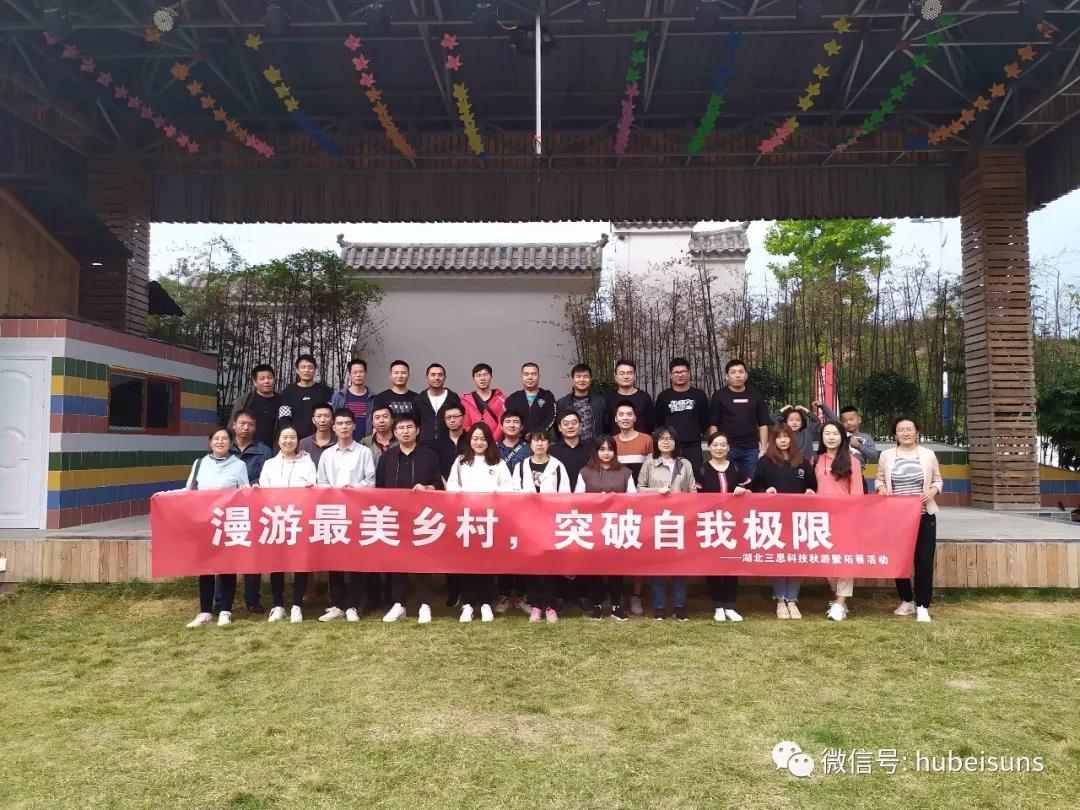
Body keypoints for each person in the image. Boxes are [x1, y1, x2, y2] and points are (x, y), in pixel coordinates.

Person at [377, 414, 444, 625]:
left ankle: (425, 603)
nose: (405, 431)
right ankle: (398, 603)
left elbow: (439, 484)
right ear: (395, 432)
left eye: (409, 427)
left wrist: (428, 488)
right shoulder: (387, 457)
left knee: (422, 560)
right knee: (397, 560)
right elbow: (379, 488)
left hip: (421, 517)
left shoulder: (429, 456)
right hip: (394, 516)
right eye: (401, 428)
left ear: (417, 430)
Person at [875, 417, 943, 623]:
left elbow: (938, 480)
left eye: (909, 429)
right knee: (900, 560)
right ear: (895, 434)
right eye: (900, 430)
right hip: (897, 518)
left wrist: (933, 491)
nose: (905, 433)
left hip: (923, 516)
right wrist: (881, 488)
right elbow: (879, 479)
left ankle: (922, 605)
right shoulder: (887, 455)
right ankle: (906, 600)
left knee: (924, 561)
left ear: (917, 432)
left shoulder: (928, 454)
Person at [446, 422, 515, 622]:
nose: (478, 442)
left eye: (483, 439)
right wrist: (463, 496)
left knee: (486, 562)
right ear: (470, 441)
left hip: (490, 519)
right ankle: (468, 604)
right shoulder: (461, 461)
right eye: (475, 439)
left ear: (489, 441)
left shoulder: (498, 462)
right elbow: (452, 485)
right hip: (466, 519)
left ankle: (485, 602)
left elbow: (508, 487)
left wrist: (492, 495)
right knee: (467, 562)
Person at [185, 426, 250, 627]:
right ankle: (205, 610)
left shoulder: (238, 465)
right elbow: (188, 491)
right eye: (216, 438)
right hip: (204, 522)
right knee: (205, 567)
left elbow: (245, 491)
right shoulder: (199, 463)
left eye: (224, 439)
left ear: (231, 443)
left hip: (228, 522)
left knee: (227, 567)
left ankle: (225, 610)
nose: (220, 442)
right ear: (210, 442)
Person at [750, 424, 818, 619]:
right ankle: (780, 600)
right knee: (779, 559)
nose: (782, 440)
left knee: (796, 559)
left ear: (791, 439)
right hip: (774, 519)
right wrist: (765, 491)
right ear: (773, 440)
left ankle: (792, 599)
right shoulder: (765, 461)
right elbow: (756, 486)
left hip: (799, 520)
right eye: (778, 437)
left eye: (786, 436)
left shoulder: (802, 462)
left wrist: (810, 492)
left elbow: (813, 487)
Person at [316, 408, 377, 623]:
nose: (344, 427)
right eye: (340, 423)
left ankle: (353, 604)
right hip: (334, 513)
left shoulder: (364, 452)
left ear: (354, 426)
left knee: (356, 560)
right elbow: (321, 482)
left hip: (357, 511)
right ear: (333, 427)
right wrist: (333, 492)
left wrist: (355, 488)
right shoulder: (327, 454)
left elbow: (370, 481)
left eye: (347, 423)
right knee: (335, 559)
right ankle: (337, 604)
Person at [258, 425, 318, 623]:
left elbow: (313, 487)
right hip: (276, 520)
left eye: (292, 437)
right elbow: (264, 492)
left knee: (300, 562)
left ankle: (297, 605)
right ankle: (278, 605)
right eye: (284, 437)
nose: (288, 441)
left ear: (298, 441)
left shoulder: (307, 463)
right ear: (278, 440)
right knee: (277, 563)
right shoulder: (269, 465)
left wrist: (312, 487)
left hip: (300, 520)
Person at [638, 426, 697, 621]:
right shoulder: (649, 462)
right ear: (656, 442)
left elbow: (692, 492)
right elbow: (639, 489)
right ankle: (659, 607)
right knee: (658, 566)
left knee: (679, 566)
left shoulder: (684, 464)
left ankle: (679, 606)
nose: (666, 441)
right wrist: (657, 492)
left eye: (670, 438)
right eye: (662, 438)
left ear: (675, 442)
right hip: (655, 521)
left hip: (680, 521)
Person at [512, 430, 571, 623]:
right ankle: (535, 605)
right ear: (530, 444)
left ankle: (550, 606)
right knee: (531, 566)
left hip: (550, 522)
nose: (539, 444)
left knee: (550, 565)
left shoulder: (557, 466)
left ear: (548, 444)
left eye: (543, 441)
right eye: (536, 441)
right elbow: (514, 493)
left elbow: (565, 494)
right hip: (528, 523)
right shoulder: (521, 466)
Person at [575, 435, 635, 622]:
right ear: (596, 451)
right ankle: (596, 605)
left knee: (616, 568)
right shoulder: (585, 472)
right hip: (593, 526)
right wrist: (596, 500)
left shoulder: (625, 472)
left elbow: (634, 498)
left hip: (617, 525)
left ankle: (617, 606)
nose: (606, 453)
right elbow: (577, 498)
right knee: (596, 568)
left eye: (610, 449)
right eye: (602, 449)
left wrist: (617, 500)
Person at [814, 421, 863, 622]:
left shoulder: (852, 461)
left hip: (844, 518)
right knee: (827, 561)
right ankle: (838, 599)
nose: (831, 437)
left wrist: (853, 518)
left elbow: (857, 493)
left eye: (835, 433)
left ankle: (840, 603)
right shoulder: (816, 459)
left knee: (844, 560)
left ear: (842, 437)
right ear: (822, 437)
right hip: (821, 520)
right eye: (827, 433)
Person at [699, 432, 751, 623]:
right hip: (711, 524)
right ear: (709, 447)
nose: (719, 448)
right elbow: (695, 496)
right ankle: (717, 606)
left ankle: (730, 605)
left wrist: (743, 490)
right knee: (713, 565)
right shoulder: (702, 469)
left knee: (731, 564)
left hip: (733, 524)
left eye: (723, 445)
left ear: (728, 448)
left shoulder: (736, 467)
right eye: (715, 444)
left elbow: (750, 491)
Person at [226, 410, 271, 614]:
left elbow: (265, 477)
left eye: (250, 424)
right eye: (242, 423)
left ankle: (252, 600)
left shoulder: (264, 450)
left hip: (254, 507)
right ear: (234, 425)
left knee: (253, 554)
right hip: (228, 508)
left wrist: (248, 488)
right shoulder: (225, 447)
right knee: (226, 554)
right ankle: (221, 600)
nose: (246, 428)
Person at [707, 358, 770, 481]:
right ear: (727, 376)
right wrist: (716, 446)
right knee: (728, 482)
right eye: (733, 372)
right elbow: (713, 424)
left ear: (746, 375)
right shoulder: (719, 396)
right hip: (727, 448)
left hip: (751, 448)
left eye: (741, 372)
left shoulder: (755, 395)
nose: (737, 375)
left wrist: (763, 449)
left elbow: (763, 423)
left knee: (751, 482)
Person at [655, 357, 710, 481]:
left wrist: (698, 432)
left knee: (696, 477)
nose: (680, 375)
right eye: (676, 372)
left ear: (689, 373)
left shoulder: (699, 395)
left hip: (693, 445)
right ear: (670, 375)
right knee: (671, 478)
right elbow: (659, 421)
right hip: (671, 445)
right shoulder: (664, 396)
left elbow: (705, 419)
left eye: (683, 371)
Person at [278, 354, 334, 440]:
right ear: (297, 370)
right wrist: (290, 436)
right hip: (295, 439)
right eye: (303, 367)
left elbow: (329, 416)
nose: (306, 370)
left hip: (319, 438)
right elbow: (284, 417)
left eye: (310, 367)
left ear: (315, 370)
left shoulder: (325, 391)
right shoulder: (288, 391)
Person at [230, 364, 282, 448]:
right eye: (262, 379)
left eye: (269, 378)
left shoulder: (282, 401)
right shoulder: (245, 400)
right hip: (247, 449)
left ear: (274, 380)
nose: (266, 381)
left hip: (274, 450)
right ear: (255, 382)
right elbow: (232, 425)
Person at [556, 363, 608, 445]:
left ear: (590, 379)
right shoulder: (562, 403)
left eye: (586, 376)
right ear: (572, 380)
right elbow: (558, 429)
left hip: (595, 448)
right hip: (571, 448)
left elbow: (606, 426)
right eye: (578, 376)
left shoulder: (600, 401)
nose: (582, 379)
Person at [817, 402, 879, 468]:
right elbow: (833, 417)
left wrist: (858, 446)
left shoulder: (867, 437)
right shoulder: (843, 434)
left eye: (851, 419)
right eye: (844, 421)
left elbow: (873, 455)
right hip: (841, 470)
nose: (848, 423)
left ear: (859, 420)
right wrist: (822, 406)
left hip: (859, 471)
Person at [413, 363, 461, 447]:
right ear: (426, 377)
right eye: (433, 375)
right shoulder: (419, 399)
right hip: (424, 446)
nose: (437, 378)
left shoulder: (453, 398)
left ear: (445, 377)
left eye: (440, 375)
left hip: (448, 445)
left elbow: (459, 421)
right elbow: (415, 424)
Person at [505, 362, 557, 435]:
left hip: (541, 438)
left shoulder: (547, 396)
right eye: (526, 374)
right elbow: (509, 420)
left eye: (533, 374)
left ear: (539, 376)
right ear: (521, 377)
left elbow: (551, 417)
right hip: (519, 439)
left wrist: (538, 433)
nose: (530, 377)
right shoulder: (513, 398)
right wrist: (522, 434)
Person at [605, 359, 655, 435]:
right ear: (615, 377)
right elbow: (606, 424)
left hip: (640, 441)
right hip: (615, 441)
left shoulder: (644, 397)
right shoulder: (608, 398)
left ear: (635, 376)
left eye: (630, 373)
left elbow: (651, 424)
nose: (626, 376)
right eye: (622, 373)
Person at [461, 363, 508, 442]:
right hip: (474, 443)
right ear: (473, 378)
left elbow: (502, 423)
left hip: (496, 444)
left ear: (491, 376)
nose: (482, 378)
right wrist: (476, 441)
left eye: (485, 374)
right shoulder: (465, 400)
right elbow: (466, 425)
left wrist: (491, 442)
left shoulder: (501, 399)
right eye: (478, 375)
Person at [330, 358, 374, 438]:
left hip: (366, 441)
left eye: (361, 372)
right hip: (343, 440)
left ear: (365, 374)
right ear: (349, 375)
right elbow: (332, 420)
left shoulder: (373, 398)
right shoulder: (339, 396)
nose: (358, 375)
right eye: (355, 372)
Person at [549, 410, 591, 491]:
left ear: (581, 425)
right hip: (559, 495)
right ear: (559, 428)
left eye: (574, 423)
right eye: (566, 424)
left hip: (586, 495)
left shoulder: (591, 450)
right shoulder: (551, 451)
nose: (570, 426)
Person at [612, 400, 653, 479]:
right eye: (621, 414)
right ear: (616, 419)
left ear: (635, 418)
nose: (625, 418)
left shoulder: (647, 440)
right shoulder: (611, 442)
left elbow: (653, 468)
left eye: (629, 414)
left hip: (642, 485)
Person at [434, 402, 468, 480]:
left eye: (455, 417)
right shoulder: (438, 443)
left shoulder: (471, 439)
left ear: (463, 418)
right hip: (444, 484)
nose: (452, 420)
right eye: (448, 417)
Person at [298, 402, 335, 467]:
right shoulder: (303, 444)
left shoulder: (339, 442)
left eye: (326, 416)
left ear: (332, 420)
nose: (322, 420)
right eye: (319, 416)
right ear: (313, 420)